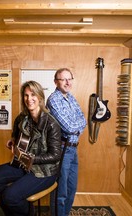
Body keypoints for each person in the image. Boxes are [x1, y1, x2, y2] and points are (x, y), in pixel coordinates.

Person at [0, 80, 62, 216]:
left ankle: (26, 212)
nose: (29, 99)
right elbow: (16, 132)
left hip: (44, 172)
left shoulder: (51, 124)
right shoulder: (22, 118)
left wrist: (31, 158)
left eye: (33, 95)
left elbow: (55, 155)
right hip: (23, 165)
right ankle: (13, 212)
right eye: (26, 95)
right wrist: (13, 141)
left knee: (10, 196)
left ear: (40, 97)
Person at [47, 68, 87, 216]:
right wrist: (77, 126)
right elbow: (69, 127)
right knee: (61, 190)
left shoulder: (71, 98)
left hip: (73, 148)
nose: (67, 82)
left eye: (69, 79)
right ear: (56, 82)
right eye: (63, 79)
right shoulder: (54, 99)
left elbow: (83, 119)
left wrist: (77, 126)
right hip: (63, 149)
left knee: (71, 188)